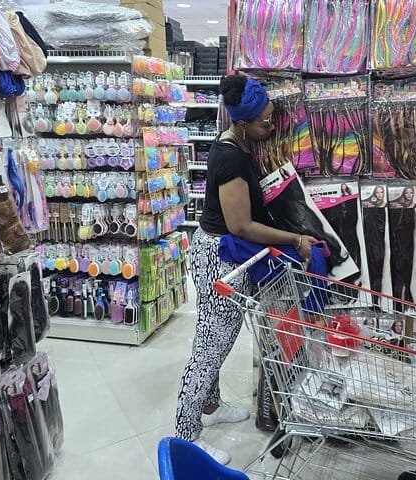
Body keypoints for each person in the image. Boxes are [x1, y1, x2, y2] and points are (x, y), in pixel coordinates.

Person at [174, 74, 318, 466]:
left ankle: (211, 406)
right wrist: (294, 238)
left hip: (221, 254)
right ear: (242, 123)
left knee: (215, 338)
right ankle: (186, 437)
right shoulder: (232, 158)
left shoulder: (236, 144)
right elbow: (240, 225)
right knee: (210, 347)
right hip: (220, 259)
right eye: (265, 121)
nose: (270, 127)